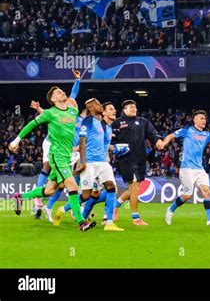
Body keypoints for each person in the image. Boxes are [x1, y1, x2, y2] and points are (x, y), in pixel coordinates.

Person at [8, 86, 96, 231]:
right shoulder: (50, 113)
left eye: (63, 91)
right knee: (73, 186)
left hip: (66, 156)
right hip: (57, 156)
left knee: (49, 191)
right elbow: (31, 124)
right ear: (53, 99)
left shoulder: (73, 112)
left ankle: (20, 196)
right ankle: (81, 222)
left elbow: (69, 116)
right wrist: (16, 140)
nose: (63, 92)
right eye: (59, 92)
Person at [53, 99, 125, 231]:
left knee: (111, 187)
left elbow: (102, 144)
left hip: (102, 162)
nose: (100, 105)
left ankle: (109, 222)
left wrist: (114, 149)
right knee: (86, 195)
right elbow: (82, 141)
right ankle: (62, 209)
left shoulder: (101, 123)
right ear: (91, 107)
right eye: (98, 103)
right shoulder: (88, 121)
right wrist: (83, 162)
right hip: (90, 162)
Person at [159, 110, 210, 226]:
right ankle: (171, 209)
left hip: (199, 169)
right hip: (187, 168)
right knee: (187, 195)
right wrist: (163, 143)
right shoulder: (187, 130)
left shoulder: (207, 135)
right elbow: (171, 135)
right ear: (195, 120)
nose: (204, 120)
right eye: (201, 118)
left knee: (206, 191)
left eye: (205, 118)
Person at [29, 69, 81, 220]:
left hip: (67, 149)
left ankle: (48, 205)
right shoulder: (60, 109)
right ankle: (38, 200)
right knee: (47, 166)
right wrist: (77, 81)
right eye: (72, 100)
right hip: (51, 143)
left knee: (63, 182)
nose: (73, 101)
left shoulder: (75, 117)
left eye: (74, 101)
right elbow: (49, 114)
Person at [112, 100, 162, 225]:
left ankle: (115, 205)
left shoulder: (143, 121)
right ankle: (136, 217)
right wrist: (114, 148)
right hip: (126, 159)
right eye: (130, 107)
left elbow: (153, 133)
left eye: (135, 107)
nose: (133, 109)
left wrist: (158, 140)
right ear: (124, 109)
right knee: (134, 186)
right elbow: (109, 139)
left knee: (135, 188)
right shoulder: (117, 123)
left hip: (140, 158)